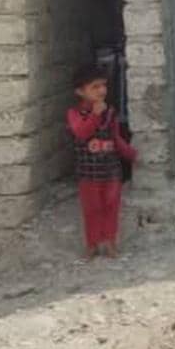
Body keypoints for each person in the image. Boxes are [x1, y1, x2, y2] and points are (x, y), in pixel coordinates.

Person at [66, 63, 138, 260]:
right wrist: (95, 115)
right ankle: (92, 244)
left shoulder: (111, 113)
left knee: (111, 207)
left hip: (111, 171)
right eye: (95, 87)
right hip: (88, 173)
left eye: (103, 85)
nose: (101, 90)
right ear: (80, 91)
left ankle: (110, 243)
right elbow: (81, 133)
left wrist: (131, 155)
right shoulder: (74, 114)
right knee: (92, 209)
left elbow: (116, 138)